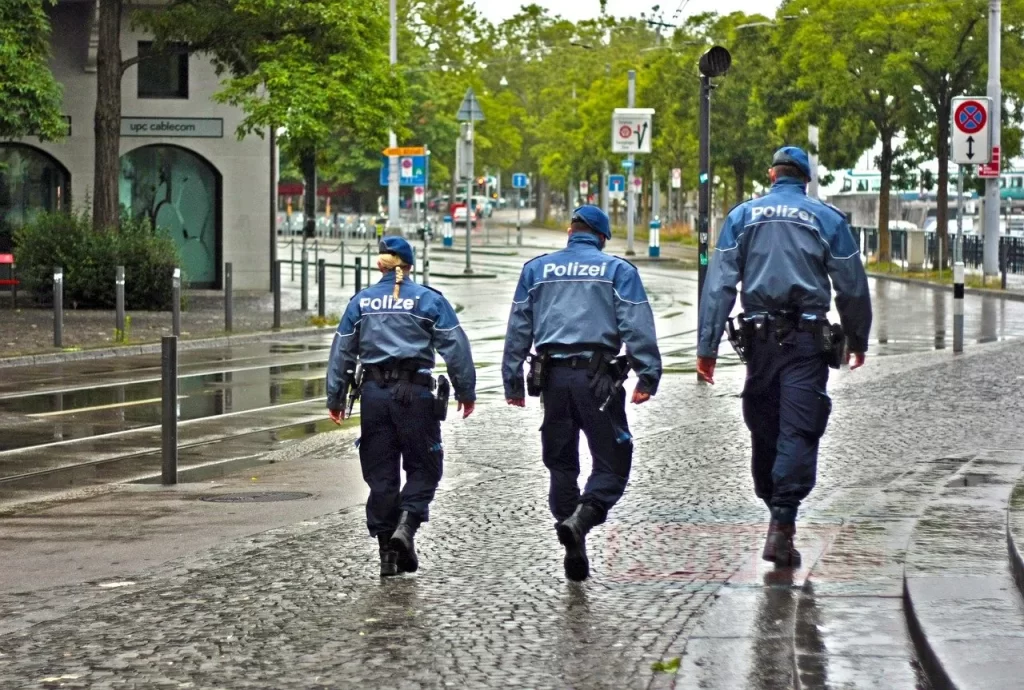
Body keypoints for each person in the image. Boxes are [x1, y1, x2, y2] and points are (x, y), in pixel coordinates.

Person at [696, 146, 872, 567]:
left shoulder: (741, 217)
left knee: (765, 426)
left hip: (758, 344)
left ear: (771, 174)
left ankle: (776, 512)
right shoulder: (828, 219)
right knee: (799, 425)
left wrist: (707, 348)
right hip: (807, 342)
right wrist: (857, 339)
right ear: (805, 179)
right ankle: (782, 518)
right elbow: (851, 284)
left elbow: (719, 284)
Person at [502, 205, 662, 582]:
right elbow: (636, 324)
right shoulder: (618, 270)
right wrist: (647, 376)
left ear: (570, 232)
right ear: (601, 237)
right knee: (612, 460)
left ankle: (572, 535)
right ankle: (583, 518)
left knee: (561, 463)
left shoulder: (537, 270)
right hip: (598, 381)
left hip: (552, 380)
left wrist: (512, 380)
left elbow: (518, 328)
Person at [326, 236, 476, 577]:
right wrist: (466, 391)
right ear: (408, 266)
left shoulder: (361, 303)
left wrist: (335, 398)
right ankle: (406, 528)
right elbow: (455, 346)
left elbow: (342, 353)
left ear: (379, 264)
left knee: (381, 475)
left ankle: (387, 558)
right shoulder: (428, 300)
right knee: (425, 467)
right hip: (415, 395)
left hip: (374, 397)